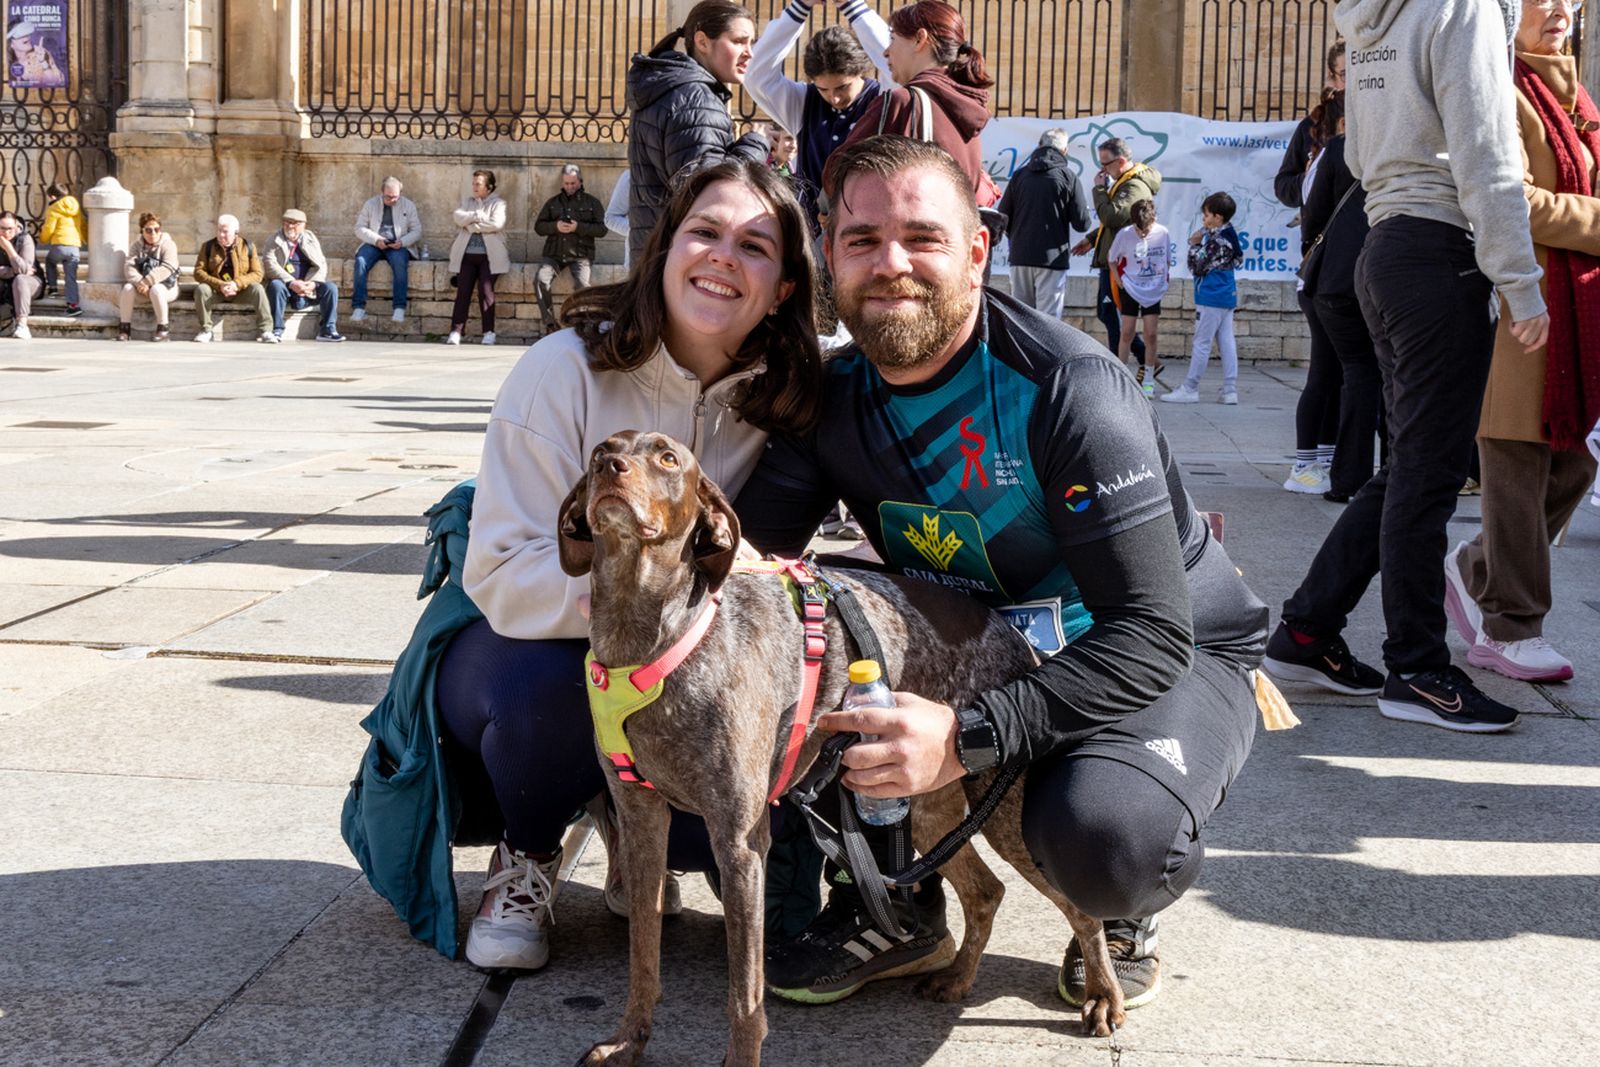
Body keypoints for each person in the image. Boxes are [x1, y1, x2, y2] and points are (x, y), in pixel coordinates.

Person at [736, 134, 1266, 1011]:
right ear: (828, 252)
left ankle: (1125, 908)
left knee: (1104, 842)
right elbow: (752, 576)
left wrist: (966, 736)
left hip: (1157, 648)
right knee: (806, 636)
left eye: (923, 237)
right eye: (861, 240)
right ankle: (898, 901)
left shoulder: (1069, 389)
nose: (890, 264)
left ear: (978, 250)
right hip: (984, 649)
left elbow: (1151, 632)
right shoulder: (829, 401)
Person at [342, 158, 823, 972]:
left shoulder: (780, 396)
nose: (722, 257)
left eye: (755, 245)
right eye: (703, 232)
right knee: (559, 696)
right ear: (664, 246)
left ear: (781, 287)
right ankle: (526, 849)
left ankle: (633, 836)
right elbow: (499, 572)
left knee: (748, 839)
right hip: (519, 644)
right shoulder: (564, 369)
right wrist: (648, 609)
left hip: (678, 663)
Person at [1263, 0, 1551, 732]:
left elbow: (1361, 152)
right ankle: (1417, 668)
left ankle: (1306, 630)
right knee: (1428, 473)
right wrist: (1519, 281)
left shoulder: (1379, 16)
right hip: (1440, 250)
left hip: (1385, 240)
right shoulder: (1466, 8)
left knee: (1411, 464)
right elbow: (1486, 148)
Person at [1443, 0, 1599, 683]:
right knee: (1514, 460)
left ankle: (1477, 565)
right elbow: (1513, 197)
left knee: (1573, 466)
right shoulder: (1502, 89)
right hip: (1519, 304)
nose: (1560, 9)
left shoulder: (1578, 98)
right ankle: (1511, 623)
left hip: (1577, 311)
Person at [625, 1, 770, 264]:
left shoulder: (671, 89)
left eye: (752, 43)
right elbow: (708, 190)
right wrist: (755, 144)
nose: (749, 53)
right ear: (702, 41)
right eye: (739, 41)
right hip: (682, 269)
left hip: (659, 260)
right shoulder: (696, 99)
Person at [745, 2, 894, 231]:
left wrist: (852, 6)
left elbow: (894, 61)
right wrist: (800, 7)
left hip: (871, 231)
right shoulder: (803, 102)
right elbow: (756, 75)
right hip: (812, 234)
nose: (834, 98)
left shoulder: (885, 98)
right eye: (824, 90)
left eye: (842, 87)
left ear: (861, 71)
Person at [1299, 92, 1380, 503]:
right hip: (1388, 277)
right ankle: (1397, 474)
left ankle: (1349, 478)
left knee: (1357, 374)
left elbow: (1315, 216)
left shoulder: (1338, 150)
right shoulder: (1400, 145)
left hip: (1336, 282)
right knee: (1392, 376)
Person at [1283, 92, 1348, 495]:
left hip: (1335, 277)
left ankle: (1322, 459)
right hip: (1323, 278)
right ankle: (1304, 463)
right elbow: (1310, 208)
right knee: (1324, 371)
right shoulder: (1329, 155)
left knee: (1339, 374)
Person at [1072, 137, 1160, 365]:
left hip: (1120, 263)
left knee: (1113, 315)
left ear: (1121, 161)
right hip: (1112, 258)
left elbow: (1111, 216)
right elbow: (1114, 224)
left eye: (1106, 164)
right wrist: (1092, 240)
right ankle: (1142, 357)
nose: (1103, 169)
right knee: (1107, 312)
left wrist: (1099, 189)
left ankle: (1122, 363)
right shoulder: (1123, 182)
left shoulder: (1133, 186)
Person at [995, 128, 1092, 318]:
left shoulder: (1019, 175)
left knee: (1021, 319)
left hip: (1020, 256)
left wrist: (1017, 236)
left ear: (1039, 145)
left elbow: (1003, 216)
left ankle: (1020, 349)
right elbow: (1082, 224)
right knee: (1048, 321)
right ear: (1065, 151)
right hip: (1052, 258)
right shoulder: (1068, 177)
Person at [1164, 191, 1244, 404]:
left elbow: (1196, 267)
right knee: (1226, 341)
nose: (1204, 219)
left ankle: (1190, 387)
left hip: (1211, 296)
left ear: (1218, 217)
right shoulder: (1230, 235)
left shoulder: (1217, 240)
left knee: (1202, 342)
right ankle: (1229, 389)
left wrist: (1195, 243)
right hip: (1226, 295)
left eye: (1207, 215)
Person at [532, 164, 608, 337]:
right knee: (540, 279)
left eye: (573, 183)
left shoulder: (592, 202)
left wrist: (578, 227)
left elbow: (603, 229)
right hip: (554, 254)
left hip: (580, 255)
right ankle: (550, 323)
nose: (570, 187)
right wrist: (555, 226)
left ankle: (582, 323)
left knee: (583, 286)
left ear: (580, 181)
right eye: (566, 183)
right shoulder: (553, 203)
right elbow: (539, 227)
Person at [1108, 198, 1174, 395]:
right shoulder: (1125, 234)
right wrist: (1119, 281)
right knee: (1126, 332)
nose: (1142, 233)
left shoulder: (1163, 233)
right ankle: (1122, 377)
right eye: (1139, 229)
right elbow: (1112, 259)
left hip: (1152, 288)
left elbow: (1167, 260)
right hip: (1130, 286)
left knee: (1150, 333)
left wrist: (1162, 280)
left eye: (1146, 229)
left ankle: (1148, 379)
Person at [1273, 40, 1347, 210]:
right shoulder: (1311, 125)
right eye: (1344, 75)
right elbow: (1282, 186)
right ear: (1332, 77)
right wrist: (1309, 177)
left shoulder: (1377, 121)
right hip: (1324, 231)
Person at [446, 169, 508, 347]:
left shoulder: (498, 203)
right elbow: (458, 217)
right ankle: (456, 331)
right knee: (463, 292)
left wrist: (472, 226)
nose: (474, 187)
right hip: (467, 255)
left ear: (488, 186)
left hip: (489, 257)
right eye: (473, 183)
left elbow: (497, 223)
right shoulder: (468, 202)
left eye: (478, 184)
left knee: (485, 292)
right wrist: (476, 216)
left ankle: (489, 332)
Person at [264, 209, 345, 343]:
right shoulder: (274, 240)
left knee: (331, 288)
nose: (290, 226)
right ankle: (277, 329)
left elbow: (321, 263)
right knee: (275, 285)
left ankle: (327, 330)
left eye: (295, 223)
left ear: (303, 225)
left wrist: (313, 283)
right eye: (287, 222)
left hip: (308, 289)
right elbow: (269, 264)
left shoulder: (311, 239)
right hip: (287, 289)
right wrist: (291, 282)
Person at [351, 177, 423, 324]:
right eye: (388, 197)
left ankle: (399, 308)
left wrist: (402, 242)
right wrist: (376, 240)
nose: (392, 200)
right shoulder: (370, 204)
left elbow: (417, 231)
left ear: (400, 193)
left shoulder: (408, 205)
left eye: (395, 196)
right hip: (374, 243)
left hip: (398, 244)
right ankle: (359, 308)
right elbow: (359, 228)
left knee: (399, 263)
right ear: (382, 192)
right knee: (360, 261)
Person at [192, 215, 273, 344]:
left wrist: (236, 283)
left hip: (240, 291)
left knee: (258, 289)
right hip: (216, 291)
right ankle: (206, 330)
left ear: (235, 232)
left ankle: (266, 330)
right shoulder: (207, 246)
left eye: (225, 232)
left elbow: (257, 273)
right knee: (201, 289)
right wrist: (220, 285)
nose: (221, 235)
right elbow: (198, 272)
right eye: (219, 230)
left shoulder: (248, 246)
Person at [119, 212, 180, 343]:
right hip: (143, 288)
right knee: (128, 288)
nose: (153, 233)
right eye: (148, 230)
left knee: (156, 290)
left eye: (156, 229)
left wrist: (147, 281)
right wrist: (140, 282)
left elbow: (168, 267)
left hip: (167, 287)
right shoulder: (136, 246)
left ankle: (163, 329)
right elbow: (129, 266)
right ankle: (125, 329)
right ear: (142, 231)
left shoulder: (168, 244)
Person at [38, 182, 84, 316]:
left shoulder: (53, 208)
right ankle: (73, 306)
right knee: (71, 277)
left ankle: (53, 288)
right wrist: (87, 238)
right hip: (74, 247)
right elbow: (83, 225)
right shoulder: (75, 207)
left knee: (50, 261)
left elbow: (49, 228)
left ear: (52, 196)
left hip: (59, 245)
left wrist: (43, 239)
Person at [0, 212, 41, 339]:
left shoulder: (25, 239)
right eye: (2, 228)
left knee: (21, 279)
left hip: (31, 282)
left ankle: (22, 325)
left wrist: (9, 249)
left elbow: (24, 269)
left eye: (10, 229)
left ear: (16, 226)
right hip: (4, 283)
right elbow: (22, 269)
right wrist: (13, 271)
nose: (6, 232)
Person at [605, 171, 632, 270]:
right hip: (641, 262)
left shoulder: (679, 171)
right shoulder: (630, 176)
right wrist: (639, 230)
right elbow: (610, 218)